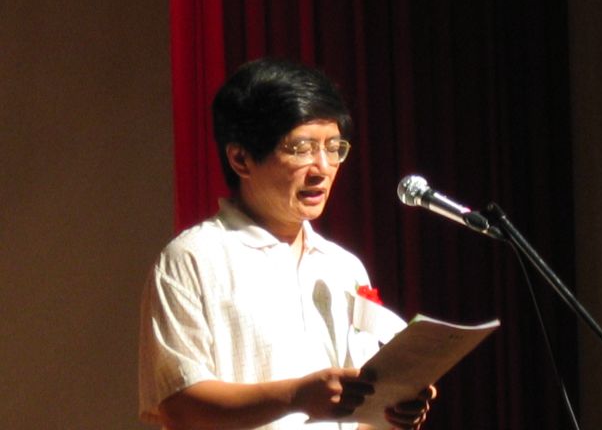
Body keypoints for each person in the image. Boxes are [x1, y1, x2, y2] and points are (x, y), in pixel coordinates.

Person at [138, 58, 434, 430]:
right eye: (302, 148)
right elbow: (179, 404)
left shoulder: (343, 267)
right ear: (241, 158)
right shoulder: (193, 259)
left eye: (334, 148)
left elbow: (359, 413)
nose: (322, 168)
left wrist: (391, 410)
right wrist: (296, 396)